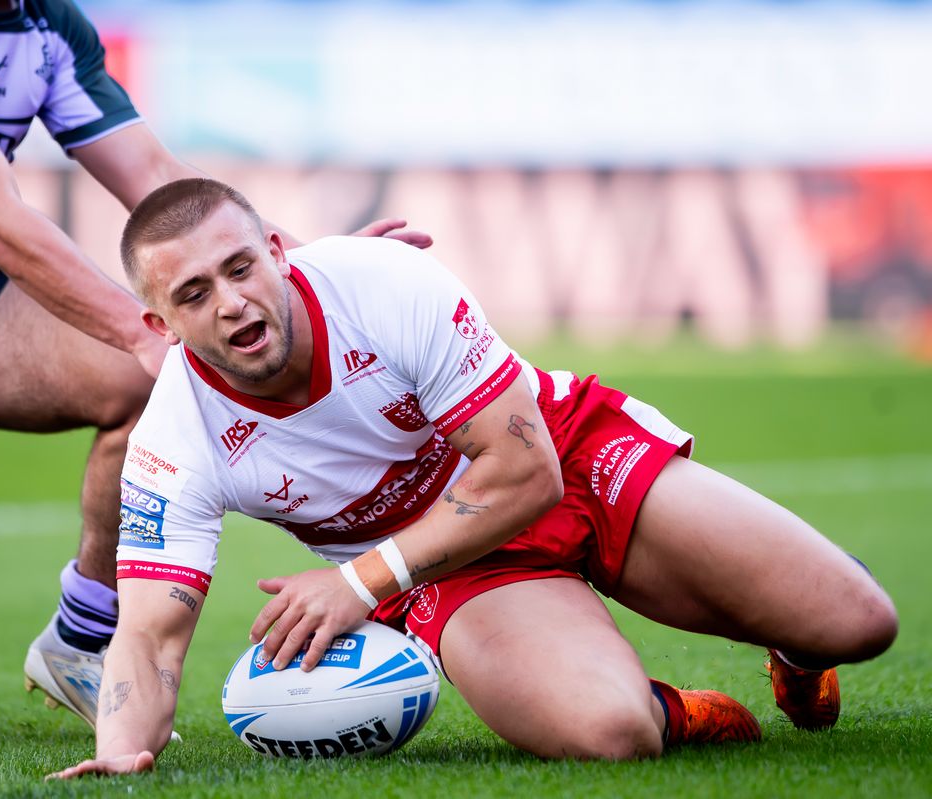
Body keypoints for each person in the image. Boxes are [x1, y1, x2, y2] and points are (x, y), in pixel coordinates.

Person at [48, 178, 898, 777]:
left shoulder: (382, 284)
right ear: (161, 323)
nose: (231, 302)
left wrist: (358, 581)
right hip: (451, 564)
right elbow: (151, 636)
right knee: (612, 731)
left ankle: (794, 641)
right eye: (195, 294)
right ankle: (674, 709)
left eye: (239, 268)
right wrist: (123, 751)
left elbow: (526, 475)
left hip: (560, 458)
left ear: (276, 252)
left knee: (860, 622)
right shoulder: (173, 434)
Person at [0, 0, 428, 727]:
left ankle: (80, 636)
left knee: (150, 387)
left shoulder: (48, 23)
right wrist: (142, 331)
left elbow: (154, 173)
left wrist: (320, 270)